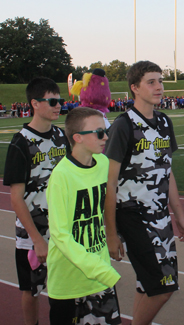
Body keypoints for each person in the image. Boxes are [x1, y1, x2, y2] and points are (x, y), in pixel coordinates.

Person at [104, 60, 184, 325]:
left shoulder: (164, 122)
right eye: (151, 82)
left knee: (148, 285)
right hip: (132, 216)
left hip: (160, 215)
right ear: (134, 88)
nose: (159, 87)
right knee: (163, 288)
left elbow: (167, 171)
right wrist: (110, 232)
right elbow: (109, 182)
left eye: (161, 81)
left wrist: (179, 214)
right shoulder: (123, 125)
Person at [46, 107, 121, 325]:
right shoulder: (61, 176)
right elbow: (60, 235)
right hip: (69, 284)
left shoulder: (103, 163)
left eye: (105, 130)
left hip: (100, 276)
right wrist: (100, 270)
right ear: (77, 138)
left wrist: (111, 235)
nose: (106, 136)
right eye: (99, 132)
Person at [3, 77, 69, 325]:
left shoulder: (62, 137)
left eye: (59, 100)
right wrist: (37, 239)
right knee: (31, 290)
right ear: (34, 103)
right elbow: (16, 199)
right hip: (33, 234)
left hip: (61, 229)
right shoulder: (21, 142)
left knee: (62, 289)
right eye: (52, 101)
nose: (58, 105)